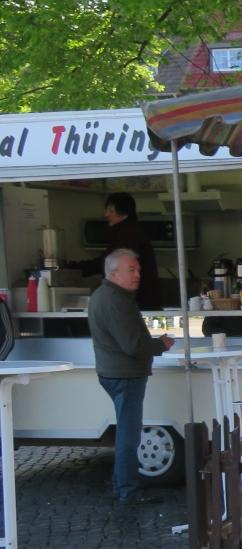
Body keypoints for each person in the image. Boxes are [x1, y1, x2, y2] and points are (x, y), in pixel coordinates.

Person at [87, 248, 174, 505]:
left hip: (115, 372)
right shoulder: (115, 300)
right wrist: (161, 344)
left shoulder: (106, 295)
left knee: (127, 432)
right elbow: (133, 346)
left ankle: (121, 484)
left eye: (138, 270)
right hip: (124, 374)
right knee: (129, 435)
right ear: (114, 273)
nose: (138, 275)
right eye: (131, 270)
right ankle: (128, 491)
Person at [75, 193, 163, 310]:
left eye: (111, 211)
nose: (106, 214)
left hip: (137, 302)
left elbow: (108, 263)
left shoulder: (126, 234)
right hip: (143, 301)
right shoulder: (130, 231)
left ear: (124, 213)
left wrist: (75, 269)